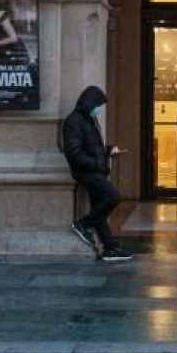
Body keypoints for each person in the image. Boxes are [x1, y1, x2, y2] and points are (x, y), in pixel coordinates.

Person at [63, 86, 133, 261]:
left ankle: (109, 249)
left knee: (99, 210)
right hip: (87, 172)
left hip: (94, 170)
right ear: (89, 103)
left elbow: (93, 147)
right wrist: (96, 163)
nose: (99, 109)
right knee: (112, 196)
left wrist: (109, 150)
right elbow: (74, 152)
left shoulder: (88, 120)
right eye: (98, 105)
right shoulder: (74, 121)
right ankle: (83, 224)